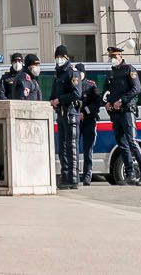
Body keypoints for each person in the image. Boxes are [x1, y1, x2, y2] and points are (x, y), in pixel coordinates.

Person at [102, 46, 141, 185]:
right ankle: (130, 174)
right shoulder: (111, 73)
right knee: (122, 144)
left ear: (120, 57)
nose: (113, 60)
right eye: (111, 57)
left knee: (132, 141)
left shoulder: (129, 69)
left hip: (127, 111)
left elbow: (136, 89)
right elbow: (107, 91)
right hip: (115, 113)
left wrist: (121, 100)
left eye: (115, 57)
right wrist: (107, 102)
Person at [48, 47, 86, 189]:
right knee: (62, 148)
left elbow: (76, 93)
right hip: (61, 114)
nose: (58, 59)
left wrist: (60, 100)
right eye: (56, 56)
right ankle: (65, 177)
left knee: (72, 147)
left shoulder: (72, 72)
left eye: (60, 56)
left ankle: (73, 179)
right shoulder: (57, 73)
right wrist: (52, 100)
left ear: (65, 57)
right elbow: (53, 92)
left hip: (70, 113)